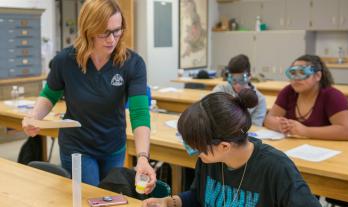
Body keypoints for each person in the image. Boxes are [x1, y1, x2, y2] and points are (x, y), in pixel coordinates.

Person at [22, 0, 156, 190]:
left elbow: (139, 112)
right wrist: (34, 117)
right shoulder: (65, 61)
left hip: (113, 146)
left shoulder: (132, 63)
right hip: (78, 147)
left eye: (117, 30)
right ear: (88, 29)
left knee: (112, 198)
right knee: (89, 197)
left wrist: (143, 157)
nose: (112, 39)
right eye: (104, 32)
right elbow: (49, 95)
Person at [143, 89, 321, 207]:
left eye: (197, 147)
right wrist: (169, 202)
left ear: (224, 146)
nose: (194, 153)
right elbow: (199, 197)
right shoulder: (210, 159)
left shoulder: (276, 168)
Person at [264, 55, 348, 140]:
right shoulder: (288, 91)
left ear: (318, 76)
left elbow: (347, 131)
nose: (296, 78)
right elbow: (268, 119)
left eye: (302, 72)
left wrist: (305, 131)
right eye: (293, 73)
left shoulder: (333, 96)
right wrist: (279, 125)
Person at [213, 54, 266, 126]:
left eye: (241, 79)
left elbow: (255, 127)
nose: (237, 85)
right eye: (233, 79)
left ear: (249, 76)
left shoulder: (260, 99)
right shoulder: (220, 90)